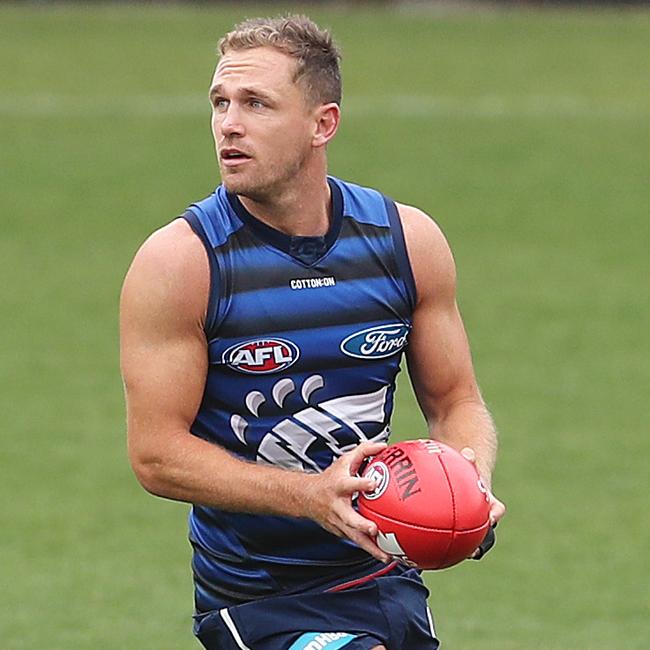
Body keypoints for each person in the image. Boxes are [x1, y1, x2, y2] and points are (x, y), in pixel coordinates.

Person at [120, 14, 505, 650]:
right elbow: (156, 454)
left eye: (256, 104)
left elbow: (456, 402)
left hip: (385, 577)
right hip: (259, 597)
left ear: (322, 123)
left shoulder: (405, 242)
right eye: (220, 103)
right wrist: (308, 496)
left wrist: (468, 485)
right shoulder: (182, 263)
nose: (229, 124)